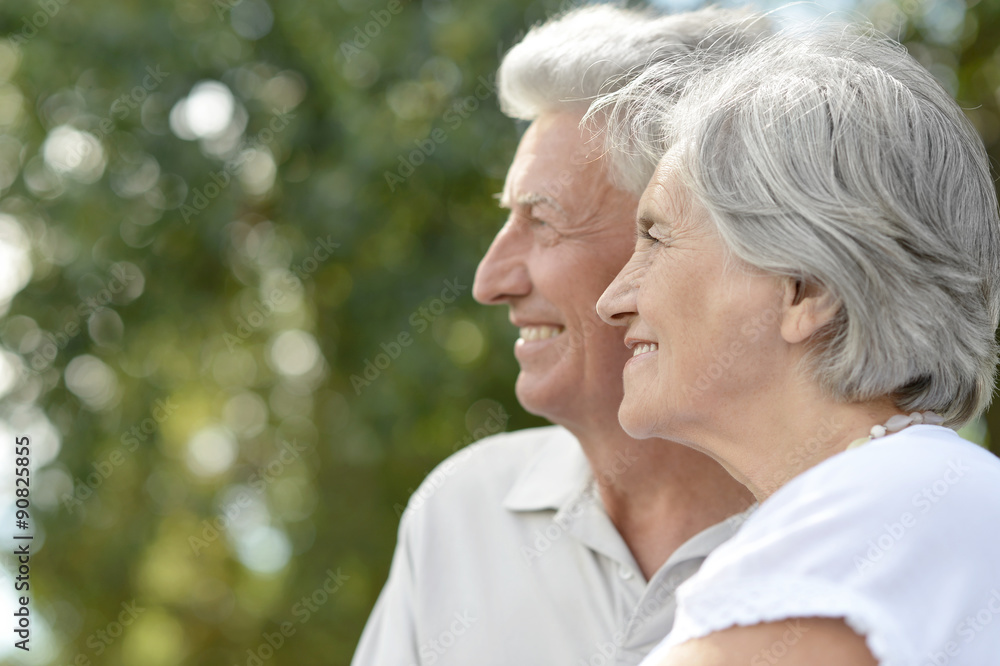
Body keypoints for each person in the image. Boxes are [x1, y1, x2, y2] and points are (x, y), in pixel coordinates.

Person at [351, 6, 768, 664]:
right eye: (506, 218)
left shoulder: (865, 535)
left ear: (685, 244)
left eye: (542, 220)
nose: (490, 281)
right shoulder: (459, 515)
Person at [594, 23, 1000, 666]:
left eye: (657, 237)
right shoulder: (933, 498)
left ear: (804, 288)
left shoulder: (865, 518)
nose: (612, 299)